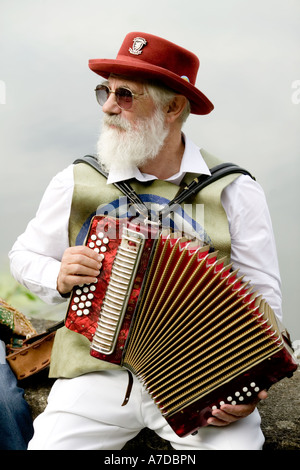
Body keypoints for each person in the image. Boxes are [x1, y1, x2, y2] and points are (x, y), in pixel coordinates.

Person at [9, 32, 282, 450]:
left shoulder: (233, 190)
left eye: (125, 95)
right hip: (93, 373)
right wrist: (58, 275)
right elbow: (23, 256)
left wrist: (248, 390)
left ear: (173, 107)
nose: (108, 106)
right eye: (105, 91)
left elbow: (265, 301)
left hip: (201, 380)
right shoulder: (79, 179)